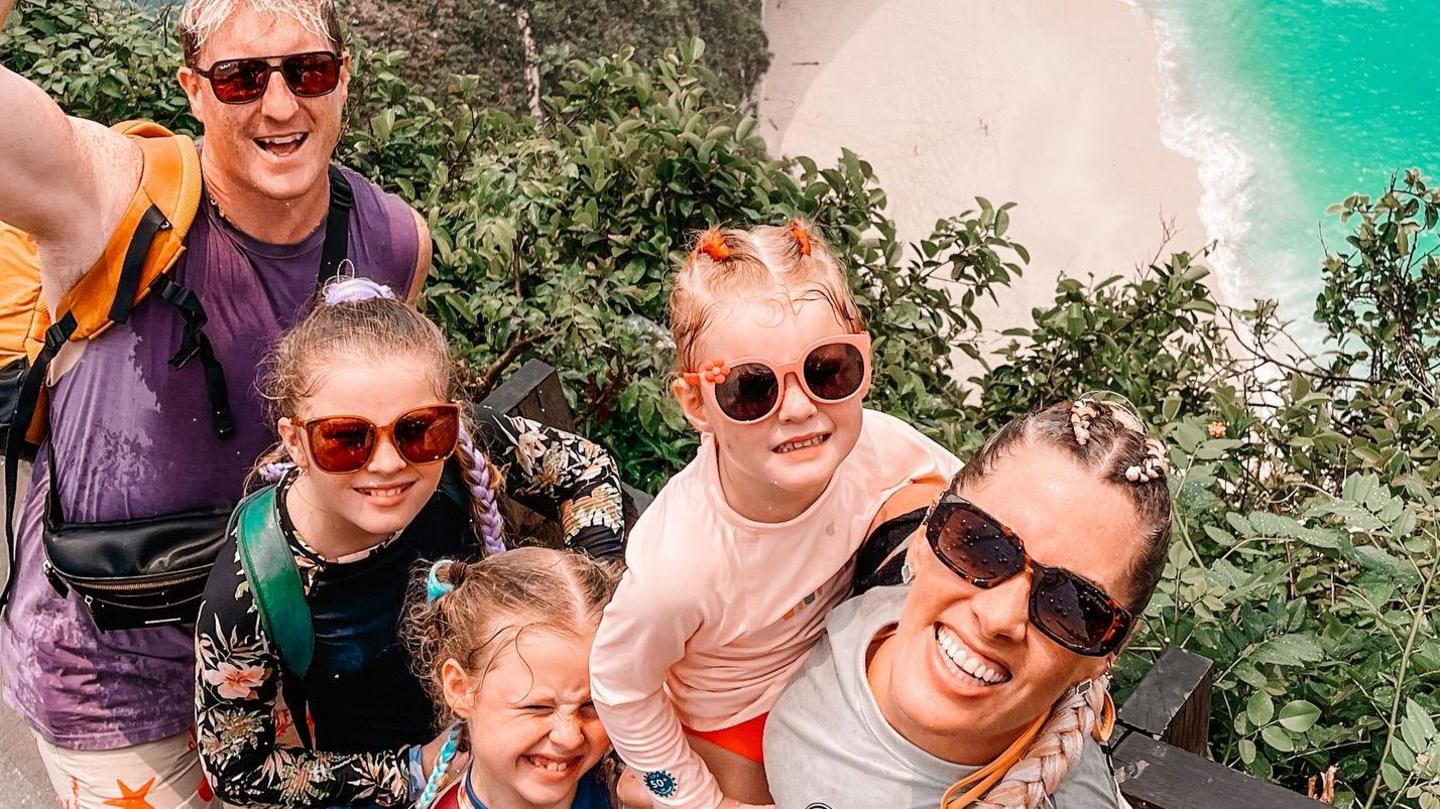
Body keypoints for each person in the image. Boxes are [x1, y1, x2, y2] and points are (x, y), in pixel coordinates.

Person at [0, 0, 439, 804]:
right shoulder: (113, 197)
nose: (280, 105)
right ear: (193, 91)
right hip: (113, 684)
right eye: (240, 79)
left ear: (343, 80)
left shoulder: (393, 239)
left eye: (308, 71)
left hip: (287, 662)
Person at [193, 278, 625, 806]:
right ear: (294, 441)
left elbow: (586, 469)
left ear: (450, 421)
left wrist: (588, 607)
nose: (389, 461)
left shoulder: (458, 455)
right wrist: (411, 769)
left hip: (546, 744)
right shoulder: (254, 580)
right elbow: (237, 768)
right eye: (346, 438)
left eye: (418, 430)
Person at [590, 220, 960, 809]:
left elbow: (979, 501)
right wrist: (687, 795)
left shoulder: (883, 450)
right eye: (750, 389)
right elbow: (619, 686)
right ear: (696, 404)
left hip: (830, 665)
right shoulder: (680, 567)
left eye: (828, 370)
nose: (796, 408)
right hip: (734, 720)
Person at [765, 399, 1173, 808]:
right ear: (928, 530)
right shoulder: (878, 541)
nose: (998, 616)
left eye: (1070, 605)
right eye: (981, 545)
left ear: (1108, 651)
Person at [407, 548, 622, 809]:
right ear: (460, 688)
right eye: (537, 707)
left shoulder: (629, 788)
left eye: (592, 706)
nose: (569, 737)